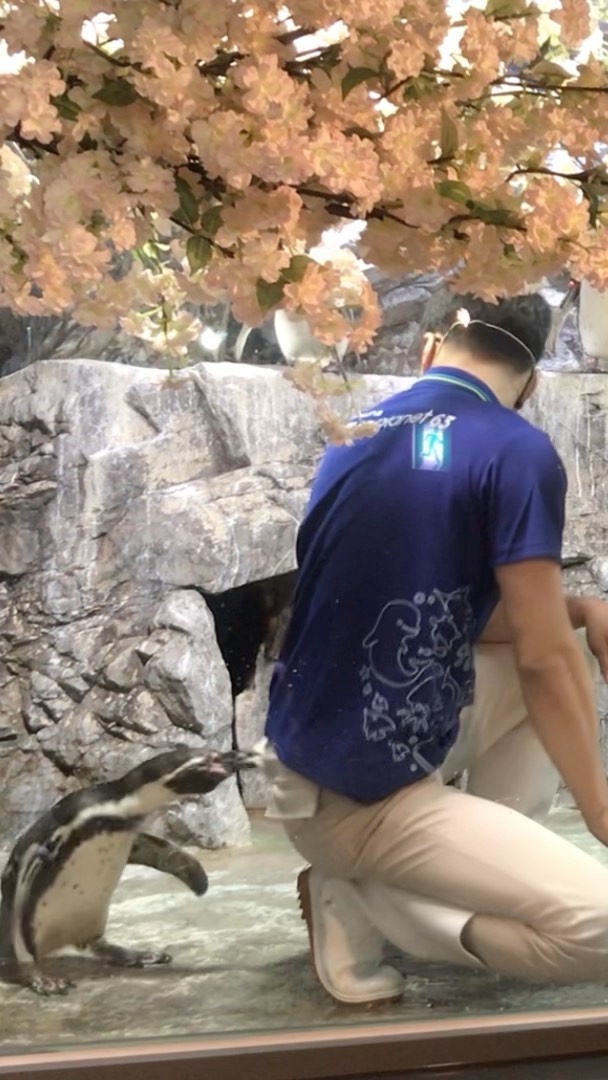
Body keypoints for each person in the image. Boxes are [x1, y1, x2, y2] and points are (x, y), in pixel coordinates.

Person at [260, 287, 608, 1005]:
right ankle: (371, 898)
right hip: (360, 803)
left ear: (430, 349)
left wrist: (579, 609)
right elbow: (542, 661)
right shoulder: (515, 449)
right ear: (531, 385)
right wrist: (601, 811)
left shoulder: (355, 431)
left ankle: (467, 866)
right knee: (600, 928)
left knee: (563, 645)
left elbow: (466, 619)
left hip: (308, 765)